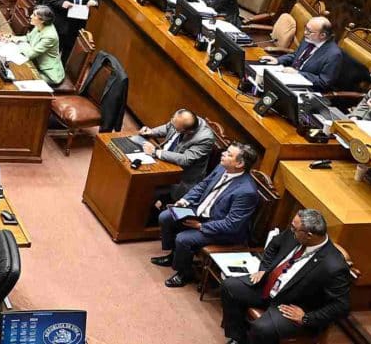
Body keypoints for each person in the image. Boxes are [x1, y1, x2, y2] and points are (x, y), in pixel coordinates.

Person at [220, 209, 351, 344]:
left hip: (290, 305)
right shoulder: (295, 233)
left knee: (262, 329)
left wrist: (307, 318)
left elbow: (341, 306)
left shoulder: (334, 266)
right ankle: (238, 338)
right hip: (268, 286)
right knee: (229, 286)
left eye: (294, 229)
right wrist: (263, 269)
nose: (290, 230)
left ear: (309, 235)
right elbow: (273, 246)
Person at [151, 143, 260, 287]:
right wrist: (185, 200)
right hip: (201, 211)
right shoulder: (222, 167)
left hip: (222, 230)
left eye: (229, 154)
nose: (223, 154)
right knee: (166, 217)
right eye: (226, 151)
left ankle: (184, 273)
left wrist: (200, 225)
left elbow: (231, 224)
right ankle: (174, 256)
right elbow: (203, 185)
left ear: (239, 164)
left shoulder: (247, 191)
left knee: (183, 239)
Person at [139, 109, 214, 201]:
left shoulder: (205, 138)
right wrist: (151, 132)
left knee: (143, 190)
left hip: (180, 177)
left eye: (176, 129)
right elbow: (168, 127)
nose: (173, 127)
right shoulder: (183, 119)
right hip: (163, 161)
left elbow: (185, 159)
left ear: (188, 132)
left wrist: (156, 152)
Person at [260, 17, 343, 93]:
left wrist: (298, 73)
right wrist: (278, 60)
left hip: (306, 90)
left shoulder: (334, 55)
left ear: (322, 35)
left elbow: (323, 82)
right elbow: (296, 55)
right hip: (288, 77)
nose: (305, 33)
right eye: (305, 28)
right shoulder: (309, 39)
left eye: (309, 31)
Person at [2, 5, 64, 85]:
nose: (31, 16)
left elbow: (30, 54)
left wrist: (19, 45)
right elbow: (28, 38)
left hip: (48, 74)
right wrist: (12, 38)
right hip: (36, 64)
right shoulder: (40, 25)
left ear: (42, 20)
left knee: (19, 79)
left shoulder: (50, 36)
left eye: (34, 15)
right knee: (12, 72)